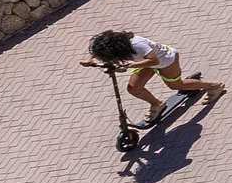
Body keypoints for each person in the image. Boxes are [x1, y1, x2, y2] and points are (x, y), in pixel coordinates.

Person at [87, 29, 223, 137]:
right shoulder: (117, 43)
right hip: (147, 63)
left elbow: (154, 61)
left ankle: (214, 86)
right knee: (134, 88)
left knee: (176, 85)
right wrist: (90, 58)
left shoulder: (137, 44)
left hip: (165, 61)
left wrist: (128, 66)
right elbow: (102, 47)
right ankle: (157, 104)